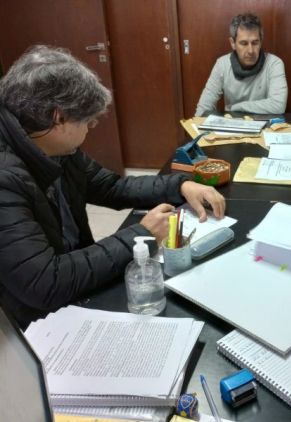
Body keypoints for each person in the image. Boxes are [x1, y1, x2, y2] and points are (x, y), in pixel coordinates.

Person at [0, 46, 226, 327]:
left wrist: (181, 186)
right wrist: (141, 235)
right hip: (39, 321)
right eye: (87, 122)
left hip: (79, 284)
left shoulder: (52, 145)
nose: (89, 130)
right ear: (58, 118)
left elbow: (112, 187)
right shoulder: (6, 177)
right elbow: (45, 281)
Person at [195, 13, 287, 116]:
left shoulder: (274, 64)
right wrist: (197, 124)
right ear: (233, 43)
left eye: (255, 43)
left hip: (265, 124)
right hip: (232, 123)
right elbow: (204, 106)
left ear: (261, 42)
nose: (250, 50)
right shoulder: (222, 64)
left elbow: (278, 105)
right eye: (244, 43)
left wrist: (236, 107)